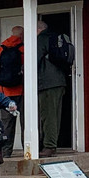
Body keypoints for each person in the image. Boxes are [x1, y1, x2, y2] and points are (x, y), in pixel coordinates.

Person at [36, 20, 69, 158]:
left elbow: (34, 59)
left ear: (38, 29)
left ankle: (49, 147)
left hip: (47, 83)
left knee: (47, 115)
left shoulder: (41, 39)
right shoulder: (56, 38)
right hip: (59, 81)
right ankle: (52, 144)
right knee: (55, 115)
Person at [0, 26, 24, 157]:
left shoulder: (1, 50)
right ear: (21, 36)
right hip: (22, 92)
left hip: (5, 93)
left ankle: (5, 151)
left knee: (6, 123)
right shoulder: (23, 49)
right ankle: (28, 147)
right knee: (25, 121)